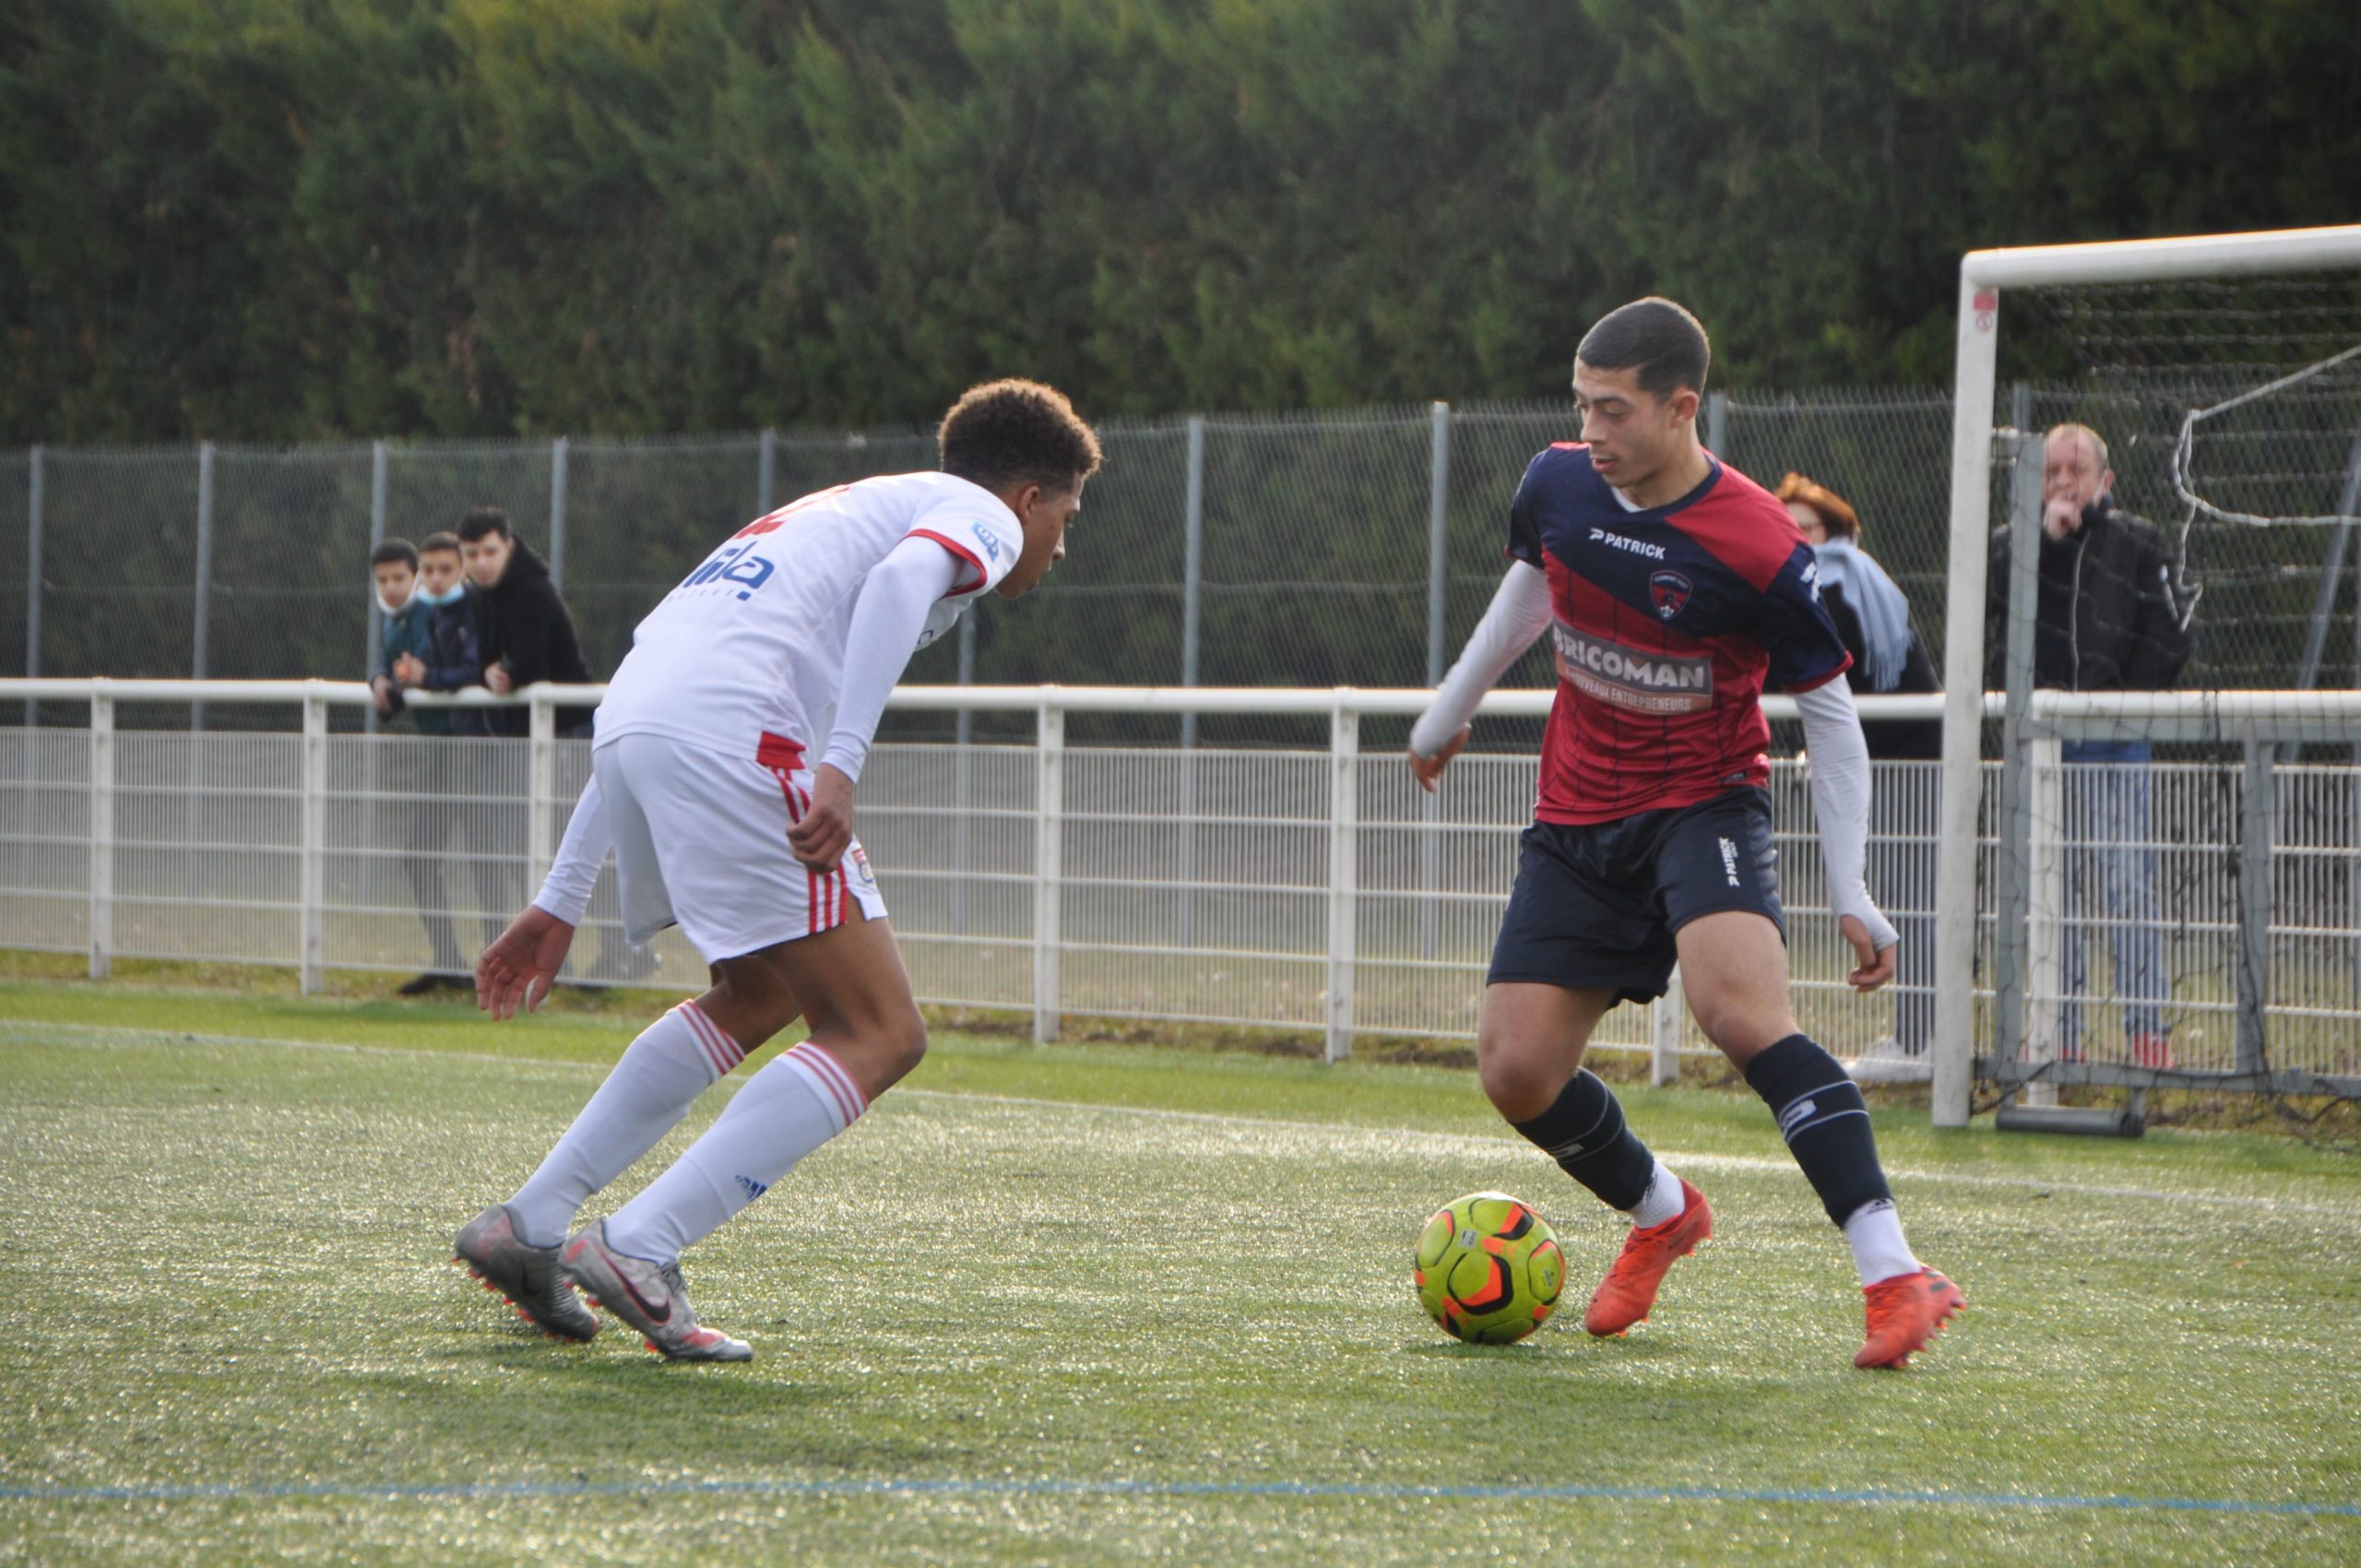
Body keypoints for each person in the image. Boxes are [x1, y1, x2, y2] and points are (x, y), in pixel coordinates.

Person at [454, 379, 1100, 1361]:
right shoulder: (980, 513)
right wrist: (841, 763)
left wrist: (560, 896)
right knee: (881, 1031)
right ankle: (639, 1244)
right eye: (1067, 516)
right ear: (1029, 496)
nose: (1060, 542)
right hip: (738, 737)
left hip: (635, 725)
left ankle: (531, 1223)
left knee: (757, 990)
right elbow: (899, 586)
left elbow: (657, 697)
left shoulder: (837, 509)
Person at [1408, 298, 1959, 1371]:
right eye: (1581, 405)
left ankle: (1896, 1273)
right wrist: (1445, 712)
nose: (1590, 430)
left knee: (1738, 1012)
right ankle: (1663, 1210)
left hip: (1703, 805)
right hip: (1576, 814)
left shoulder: (1757, 541)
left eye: (1612, 409)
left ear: (1679, 407)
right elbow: (1528, 593)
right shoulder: (1557, 483)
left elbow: (1830, 715)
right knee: (1515, 1070)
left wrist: (1850, 885)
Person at [1985, 423, 2191, 1069]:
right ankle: (2059, 1037)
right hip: (2042, 747)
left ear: (2106, 480)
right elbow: (1989, 602)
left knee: (2128, 889)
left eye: (2075, 470)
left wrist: (2118, 707)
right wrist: (2042, 541)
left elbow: (2170, 635)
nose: (2063, 481)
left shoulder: (2139, 541)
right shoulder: (2012, 543)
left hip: (2115, 745)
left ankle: (2147, 1036)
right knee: (2052, 895)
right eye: (2051, 470)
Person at [1774, 473, 1940, 1072]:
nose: (1795, 539)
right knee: (1902, 894)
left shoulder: (1835, 584)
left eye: (1806, 528)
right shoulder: (1847, 579)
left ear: (1834, 532)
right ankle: (1919, 1039)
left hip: (1907, 758)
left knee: (1911, 897)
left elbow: (1803, 666)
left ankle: (1922, 1045)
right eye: (1785, 528)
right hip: (1883, 756)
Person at [386, 530, 491, 994]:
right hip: (441, 751)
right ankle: (448, 961)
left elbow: (474, 670)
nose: (435, 578)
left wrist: (428, 676)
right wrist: (389, 680)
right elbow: (403, 668)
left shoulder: (477, 609)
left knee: (488, 857)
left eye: (445, 569)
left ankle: (498, 970)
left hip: (477, 749)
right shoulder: (422, 615)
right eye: (428, 570)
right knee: (420, 855)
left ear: (462, 570)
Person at [457, 506, 596, 738]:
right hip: (531, 724)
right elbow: (482, 658)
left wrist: (510, 677)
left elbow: (533, 666)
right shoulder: (481, 595)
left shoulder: (533, 591)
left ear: (509, 547)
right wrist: (487, 673)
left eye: (490, 552)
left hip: (570, 725)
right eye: (472, 554)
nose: (481, 562)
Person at [366, 539, 430, 723]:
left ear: (417, 576)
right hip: (431, 729)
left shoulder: (432, 611)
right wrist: (379, 678)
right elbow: (386, 661)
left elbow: (421, 666)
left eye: (399, 578)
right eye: (382, 580)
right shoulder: (393, 620)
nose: (390, 586)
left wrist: (399, 677)